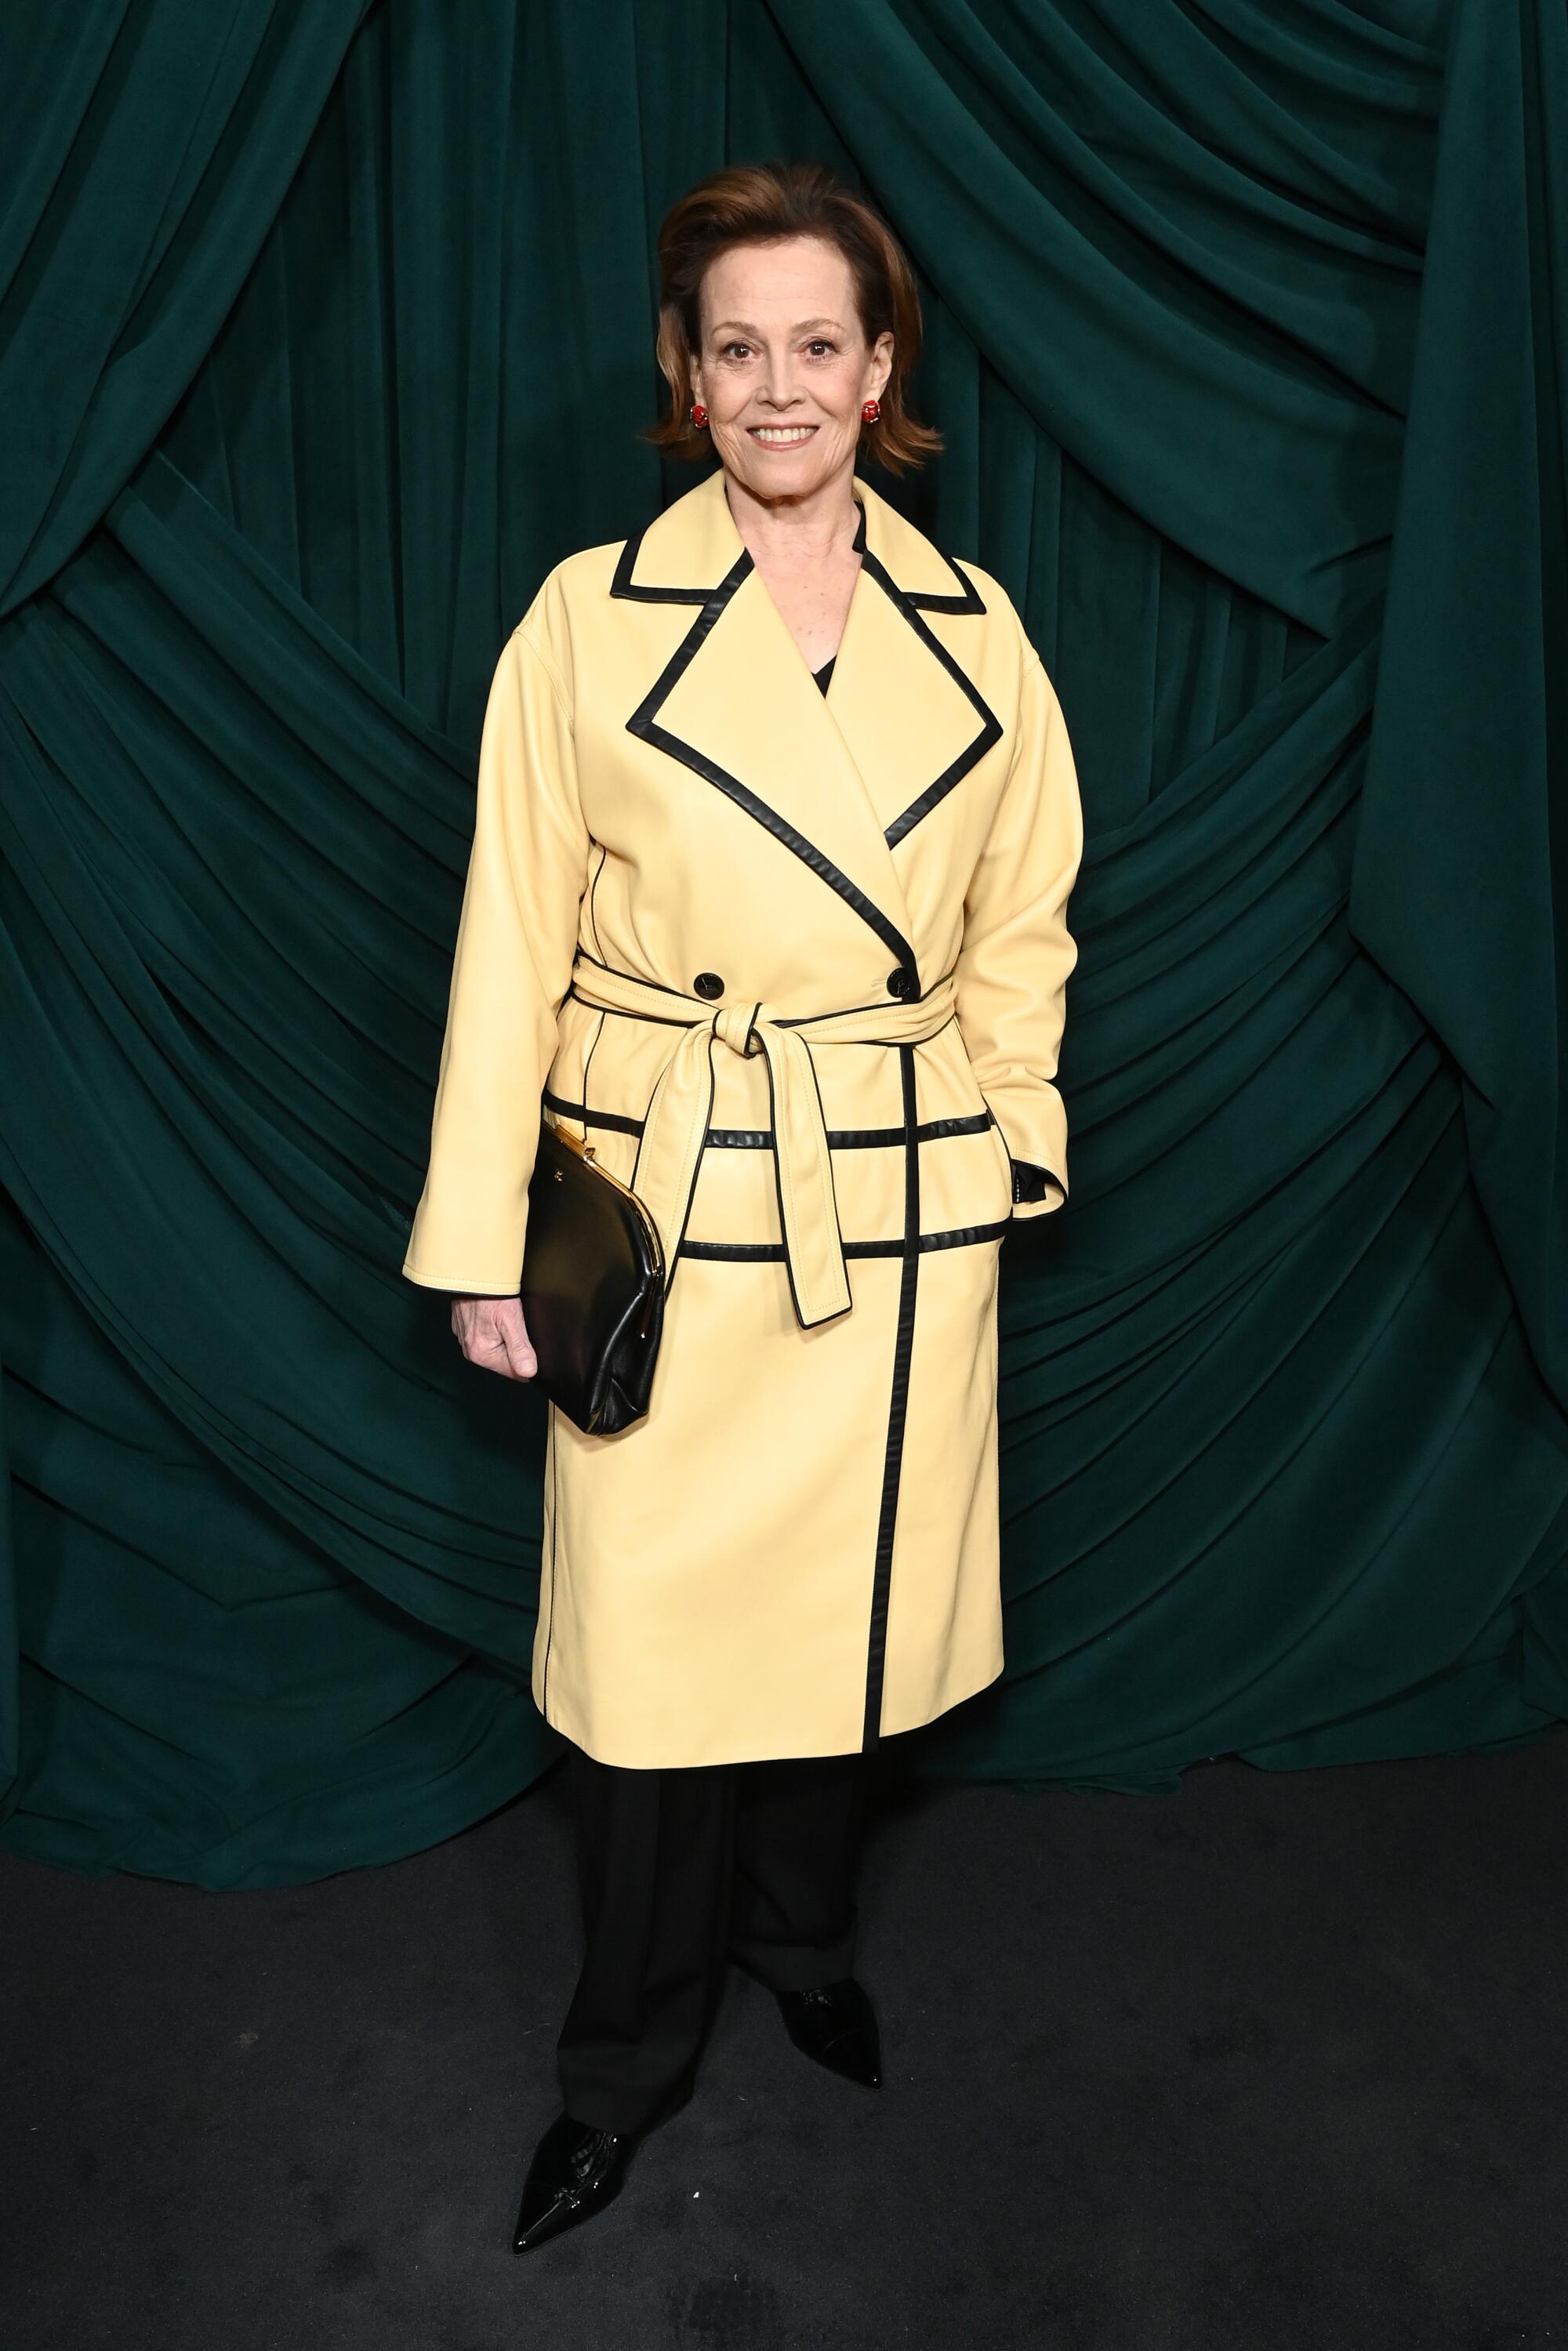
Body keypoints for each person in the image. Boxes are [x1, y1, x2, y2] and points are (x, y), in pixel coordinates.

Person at [401, 158, 1084, 2254]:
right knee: (658, 1674)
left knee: (840, 1645)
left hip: (887, 1210)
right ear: (684, 382)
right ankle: (624, 2064)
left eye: (818, 346)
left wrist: (1004, 1136)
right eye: (736, 350)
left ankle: (805, 1960)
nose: (777, 387)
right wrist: (478, 1243)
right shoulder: (587, 624)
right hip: (673, 1208)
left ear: (880, 372)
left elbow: (1020, 922)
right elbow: (508, 936)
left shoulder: (985, 637)